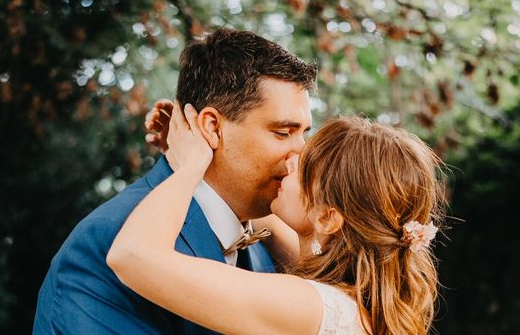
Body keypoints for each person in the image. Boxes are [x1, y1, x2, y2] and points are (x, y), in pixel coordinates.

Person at [33, 28, 317, 334]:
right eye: (283, 132)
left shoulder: (265, 241)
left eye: (305, 134)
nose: (301, 153)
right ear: (211, 127)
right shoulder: (109, 241)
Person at [108, 102, 446, 335]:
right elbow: (255, 217)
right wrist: (208, 151)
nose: (291, 160)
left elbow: (132, 255)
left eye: (306, 167)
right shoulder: (356, 295)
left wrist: (191, 164)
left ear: (328, 219)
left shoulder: (309, 306)